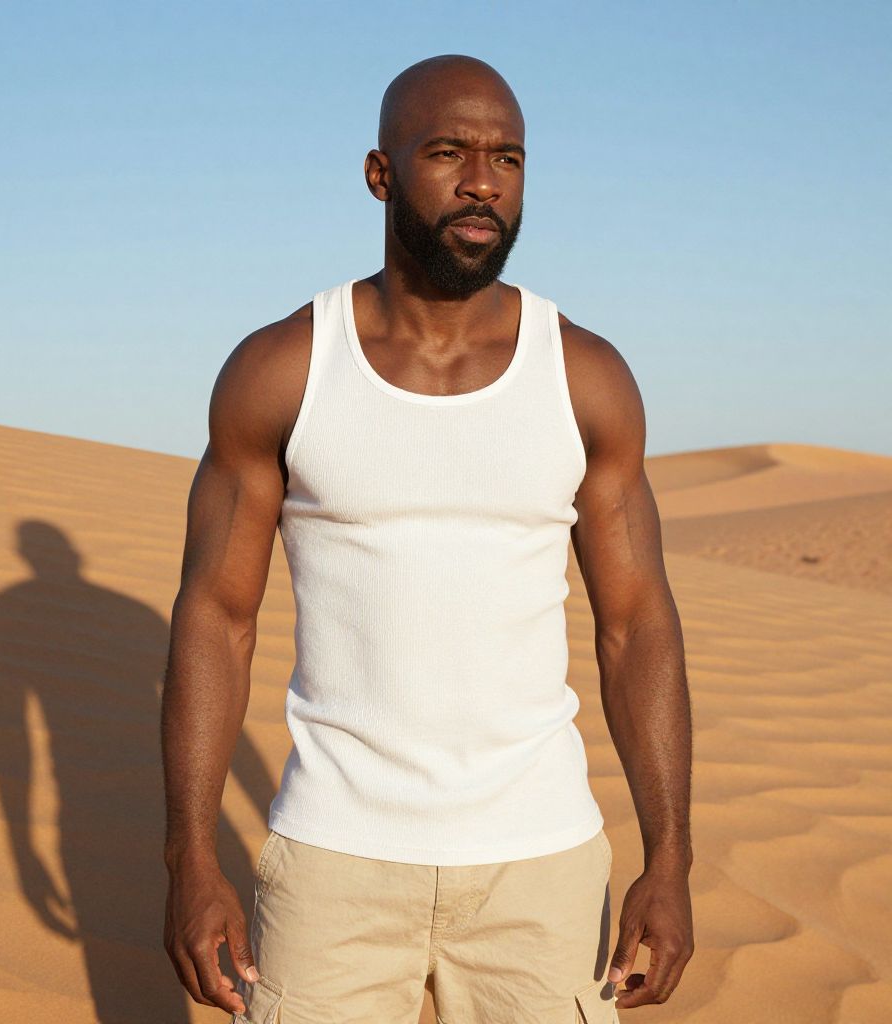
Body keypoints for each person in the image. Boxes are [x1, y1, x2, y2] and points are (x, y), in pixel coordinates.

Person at [161, 54, 694, 1024]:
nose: (482, 180)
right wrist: (193, 857)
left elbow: (636, 624)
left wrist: (670, 858)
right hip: (332, 862)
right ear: (380, 172)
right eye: (448, 151)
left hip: (540, 868)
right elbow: (214, 616)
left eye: (507, 157)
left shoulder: (585, 377)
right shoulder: (284, 367)